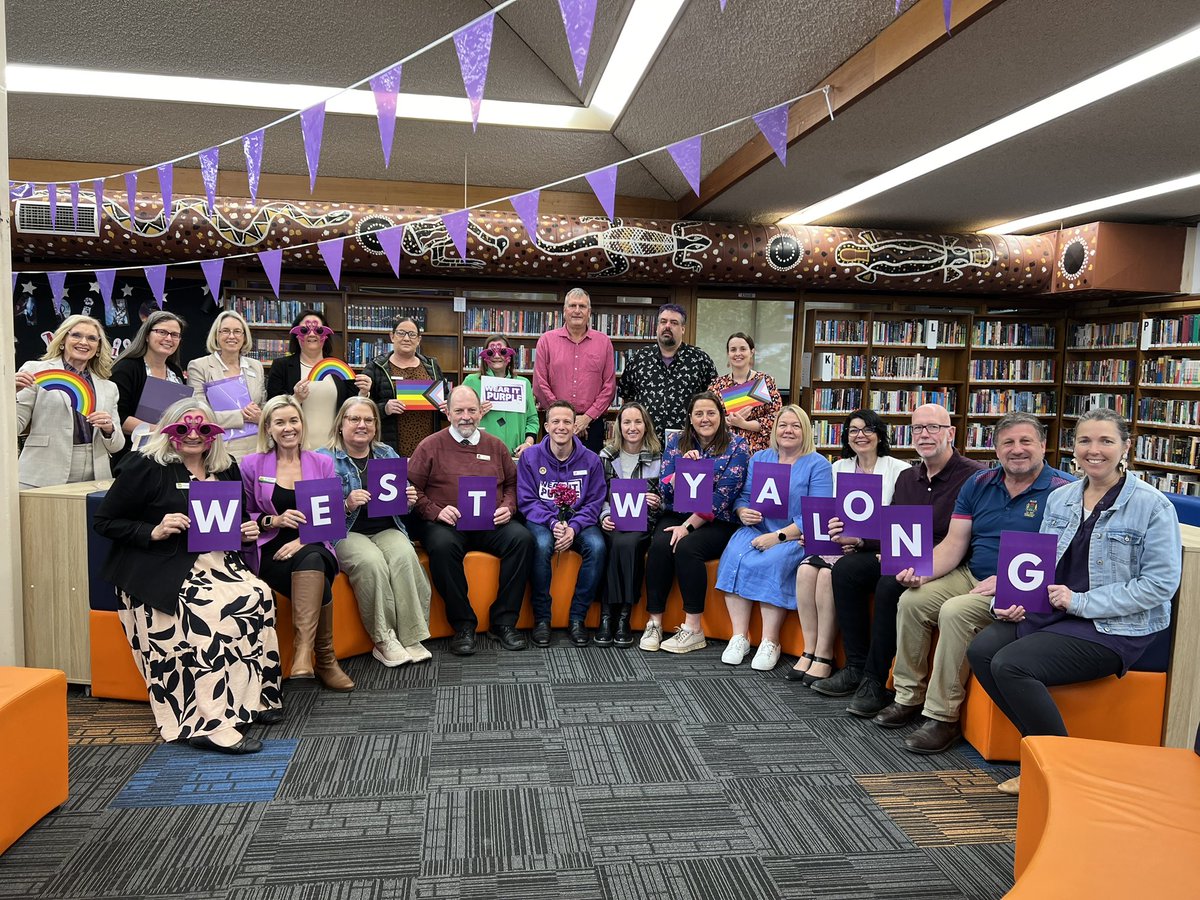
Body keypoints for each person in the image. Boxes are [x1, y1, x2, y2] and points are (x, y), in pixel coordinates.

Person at [968, 408, 1181, 795]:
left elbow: (1159, 585)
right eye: (1084, 441)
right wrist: (1014, 599)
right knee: (982, 649)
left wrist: (1081, 601)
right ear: (1072, 448)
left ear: (1125, 447)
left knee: (1011, 663)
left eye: (1105, 441)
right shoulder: (1062, 497)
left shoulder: (1153, 505)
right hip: (1058, 610)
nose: (1094, 450)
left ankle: (1059, 772)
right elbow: (1043, 563)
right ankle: (1041, 754)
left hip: (1113, 624)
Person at [875, 412, 1073, 754]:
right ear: (995, 449)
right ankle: (908, 696)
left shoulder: (1064, 491)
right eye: (1008, 442)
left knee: (955, 612)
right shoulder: (979, 483)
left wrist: (1008, 579)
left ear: (1043, 445)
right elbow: (953, 545)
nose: (1017, 450)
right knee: (912, 599)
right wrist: (922, 570)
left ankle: (942, 717)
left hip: (1022, 587)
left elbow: (1063, 557)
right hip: (971, 573)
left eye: (1026, 441)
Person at [93, 398, 281, 754]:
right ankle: (208, 722)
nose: (193, 435)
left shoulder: (226, 469)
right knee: (210, 611)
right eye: (183, 428)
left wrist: (245, 531)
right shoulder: (146, 467)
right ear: (169, 431)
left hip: (218, 563)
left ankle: (253, 698)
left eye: (202, 428)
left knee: (258, 594)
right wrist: (153, 529)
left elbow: (232, 523)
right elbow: (105, 522)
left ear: (214, 435)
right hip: (159, 567)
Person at [813, 404, 984, 716]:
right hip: (904, 554)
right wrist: (861, 540)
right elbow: (891, 528)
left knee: (890, 584)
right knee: (847, 569)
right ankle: (855, 665)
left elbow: (963, 541)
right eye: (917, 428)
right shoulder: (908, 477)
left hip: (944, 562)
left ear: (951, 433)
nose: (924, 434)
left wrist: (914, 561)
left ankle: (875, 681)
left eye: (933, 427)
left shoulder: (972, 477)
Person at [407, 385, 534, 655]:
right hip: (446, 523)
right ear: (448, 413)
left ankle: (503, 622)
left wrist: (509, 507)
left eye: (471, 410)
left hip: (489, 522)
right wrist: (434, 510)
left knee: (522, 539)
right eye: (459, 411)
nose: (466, 416)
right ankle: (463, 624)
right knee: (442, 547)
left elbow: (513, 483)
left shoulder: (496, 446)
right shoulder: (430, 445)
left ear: (480, 412)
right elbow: (410, 488)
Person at [241, 395, 354, 691]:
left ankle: (304, 652)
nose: (288, 428)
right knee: (318, 576)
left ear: (302, 425)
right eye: (279, 422)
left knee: (314, 558)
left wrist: (303, 540)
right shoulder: (252, 465)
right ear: (268, 428)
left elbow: (329, 518)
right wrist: (273, 521)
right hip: (270, 549)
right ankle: (326, 661)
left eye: (294, 421)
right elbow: (246, 513)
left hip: (314, 542)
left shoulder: (321, 463)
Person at [790, 409, 911, 686]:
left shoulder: (899, 471)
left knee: (825, 576)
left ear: (879, 435)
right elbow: (826, 513)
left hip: (874, 548)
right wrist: (814, 535)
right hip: (839, 545)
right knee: (806, 570)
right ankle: (809, 650)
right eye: (854, 430)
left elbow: (899, 521)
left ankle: (824, 655)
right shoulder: (838, 468)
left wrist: (860, 541)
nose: (861, 436)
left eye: (867, 429)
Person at [320, 397, 433, 667]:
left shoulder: (387, 454)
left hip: (386, 527)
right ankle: (384, 640)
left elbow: (399, 504)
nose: (362, 425)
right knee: (371, 563)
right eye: (354, 419)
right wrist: (346, 504)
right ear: (340, 424)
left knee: (405, 555)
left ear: (376, 425)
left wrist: (408, 500)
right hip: (345, 532)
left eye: (368, 420)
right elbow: (318, 514)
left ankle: (411, 636)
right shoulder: (323, 459)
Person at [717, 406, 832, 671]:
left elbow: (817, 513)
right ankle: (739, 636)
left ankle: (771, 641)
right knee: (734, 554)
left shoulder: (818, 465)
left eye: (795, 426)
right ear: (774, 429)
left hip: (792, 536)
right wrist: (742, 511)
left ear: (805, 431)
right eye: (783, 425)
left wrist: (778, 537)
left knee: (775, 561)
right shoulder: (760, 458)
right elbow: (744, 496)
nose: (788, 431)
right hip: (756, 529)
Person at [642, 391, 749, 654]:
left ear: (721, 416)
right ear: (690, 417)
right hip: (677, 512)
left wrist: (687, 527)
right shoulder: (676, 441)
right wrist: (679, 475)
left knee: (688, 548)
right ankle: (654, 622)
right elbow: (665, 491)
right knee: (659, 546)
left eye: (711, 413)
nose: (705, 419)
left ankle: (693, 628)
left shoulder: (737, 445)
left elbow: (722, 497)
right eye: (698, 413)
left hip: (718, 521)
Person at [517, 400, 607, 647]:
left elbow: (595, 501)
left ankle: (578, 618)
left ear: (575, 426)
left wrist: (574, 526)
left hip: (578, 522)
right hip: (542, 521)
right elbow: (526, 500)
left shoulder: (591, 460)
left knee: (597, 547)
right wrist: (552, 522)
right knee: (542, 543)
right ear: (546, 426)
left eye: (567, 421)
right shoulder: (530, 457)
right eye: (555, 421)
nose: (561, 426)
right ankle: (542, 619)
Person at [16, 314, 123, 488]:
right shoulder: (35, 371)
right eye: (76, 335)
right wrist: (9, 394)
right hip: (42, 473)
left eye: (91, 338)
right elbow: (15, 426)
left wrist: (109, 429)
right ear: (62, 340)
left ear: (98, 348)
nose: (83, 342)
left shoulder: (109, 387)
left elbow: (117, 446)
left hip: (95, 477)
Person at [598, 401, 663, 647]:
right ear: (619, 426)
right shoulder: (605, 456)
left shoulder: (659, 456)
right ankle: (607, 616)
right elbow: (598, 496)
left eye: (638, 422)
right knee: (613, 542)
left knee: (628, 543)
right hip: (613, 520)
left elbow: (669, 498)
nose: (632, 427)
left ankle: (621, 617)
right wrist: (605, 516)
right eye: (627, 422)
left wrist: (656, 502)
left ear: (646, 426)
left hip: (643, 521)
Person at [265, 308, 371, 450]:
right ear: (296, 334)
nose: (312, 334)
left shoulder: (338, 367)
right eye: (304, 330)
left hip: (335, 448)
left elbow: (352, 405)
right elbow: (272, 408)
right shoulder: (281, 366)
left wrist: (363, 393)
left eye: (319, 330)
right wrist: (295, 399)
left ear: (326, 335)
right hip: (295, 447)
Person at [533, 288, 616, 452]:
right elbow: (540, 384)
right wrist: (566, 419)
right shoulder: (546, 341)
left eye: (582, 306)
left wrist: (586, 418)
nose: (577, 311)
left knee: (588, 473)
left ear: (589, 312)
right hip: (556, 424)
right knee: (552, 473)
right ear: (564, 311)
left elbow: (609, 386)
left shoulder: (604, 342)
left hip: (591, 425)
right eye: (572, 306)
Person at [619, 303, 718, 436]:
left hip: (688, 441)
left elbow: (713, 399)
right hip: (645, 440)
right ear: (657, 327)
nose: (667, 326)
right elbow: (627, 398)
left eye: (674, 323)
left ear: (683, 329)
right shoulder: (639, 358)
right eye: (663, 322)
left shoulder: (700, 360)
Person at [186, 309, 266, 459]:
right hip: (220, 449)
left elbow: (262, 405)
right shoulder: (199, 366)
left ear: (244, 337)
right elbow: (199, 415)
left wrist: (260, 417)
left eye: (237, 331)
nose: (232, 336)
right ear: (216, 335)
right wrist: (241, 416)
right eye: (225, 331)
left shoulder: (256, 366)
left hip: (257, 448)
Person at [110, 310, 187, 459]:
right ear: (146, 335)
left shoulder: (175, 371)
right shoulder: (127, 368)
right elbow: (117, 418)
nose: (169, 338)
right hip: (134, 456)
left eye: (175, 334)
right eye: (162, 332)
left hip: (171, 452)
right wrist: (163, 431)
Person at [365, 315, 446, 457]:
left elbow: (444, 400)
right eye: (401, 333)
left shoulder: (432, 366)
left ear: (419, 340)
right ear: (392, 336)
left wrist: (446, 407)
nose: (407, 338)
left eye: (412, 334)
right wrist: (385, 408)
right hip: (390, 446)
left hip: (427, 444)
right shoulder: (376, 367)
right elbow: (362, 408)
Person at [462, 334, 539, 457]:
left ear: (510, 355)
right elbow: (460, 416)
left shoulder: (523, 383)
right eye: (491, 353)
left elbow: (532, 420)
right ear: (484, 356)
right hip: (480, 453)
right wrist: (475, 411)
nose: (497, 356)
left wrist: (528, 444)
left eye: (502, 352)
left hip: (514, 454)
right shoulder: (471, 381)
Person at [707, 332, 782, 455]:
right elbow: (709, 417)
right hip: (725, 450)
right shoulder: (716, 385)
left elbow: (776, 418)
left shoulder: (765, 381)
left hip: (759, 451)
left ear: (751, 352)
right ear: (728, 353)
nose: (738, 354)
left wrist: (744, 424)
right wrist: (727, 420)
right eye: (733, 350)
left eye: (743, 349)